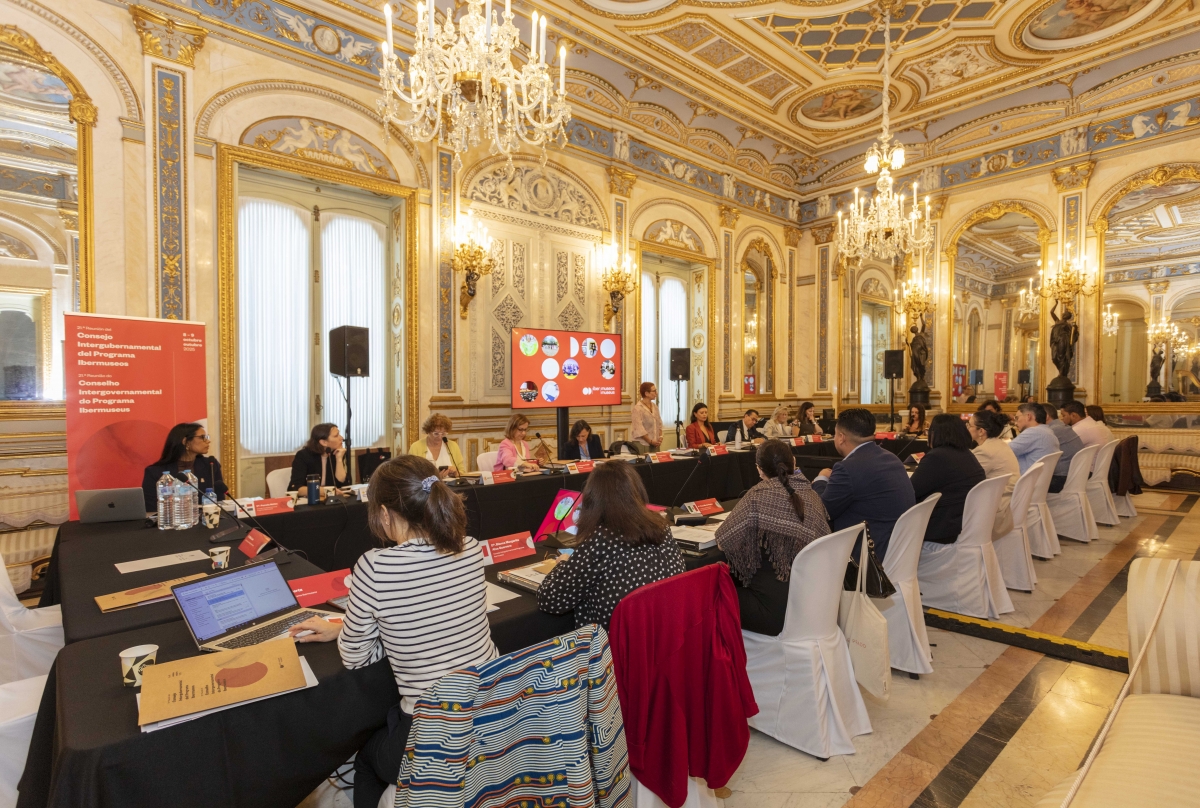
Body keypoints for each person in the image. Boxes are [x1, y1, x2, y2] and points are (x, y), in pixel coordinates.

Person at [286, 455, 497, 808]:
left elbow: (356, 659)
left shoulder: (376, 566)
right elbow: (433, 616)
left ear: (384, 513)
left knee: (365, 756)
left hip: (432, 734)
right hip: (492, 712)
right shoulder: (471, 548)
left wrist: (362, 632)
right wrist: (352, 628)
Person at [538, 461, 685, 629]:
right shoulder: (662, 527)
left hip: (614, 642)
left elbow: (550, 600)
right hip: (663, 634)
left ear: (593, 500)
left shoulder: (601, 539)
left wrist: (562, 564)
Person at [715, 440, 830, 636]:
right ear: (794, 462)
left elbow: (723, 542)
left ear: (759, 470)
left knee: (711, 594)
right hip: (814, 602)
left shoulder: (757, 496)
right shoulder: (812, 496)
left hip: (774, 614)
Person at [812, 408, 915, 560]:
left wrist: (821, 479)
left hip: (867, 557)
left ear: (841, 437)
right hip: (897, 550)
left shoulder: (847, 468)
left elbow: (822, 511)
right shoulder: (892, 458)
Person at [911, 414, 987, 544]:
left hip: (942, 528)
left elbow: (910, 491)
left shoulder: (937, 457)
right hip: (965, 524)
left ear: (935, 433)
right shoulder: (967, 454)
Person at [141, 423, 227, 510]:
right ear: (185, 441)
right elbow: (150, 508)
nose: (208, 441)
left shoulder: (210, 464)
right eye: (202, 437)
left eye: (206, 437)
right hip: (171, 518)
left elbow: (219, 500)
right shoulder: (155, 472)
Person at [967, 409, 1020, 538]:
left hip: (997, 508)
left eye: (969, 425)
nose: (967, 428)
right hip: (1008, 501)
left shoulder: (985, 451)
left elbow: (965, 478)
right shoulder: (999, 444)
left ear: (981, 431)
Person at [288, 423, 349, 492]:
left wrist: (339, 459)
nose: (341, 438)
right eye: (336, 436)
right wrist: (325, 491)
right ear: (324, 442)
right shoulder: (303, 455)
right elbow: (295, 487)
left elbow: (342, 484)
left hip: (331, 498)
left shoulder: (336, 453)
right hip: (310, 497)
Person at [1009, 403, 1061, 482]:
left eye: (1017, 418)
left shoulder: (1033, 432)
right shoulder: (1047, 431)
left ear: (1028, 416)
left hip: (1025, 483)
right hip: (1039, 482)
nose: (1015, 423)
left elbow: (1004, 452)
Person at [407, 412, 465, 478]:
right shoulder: (416, 447)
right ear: (428, 431)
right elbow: (411, 474)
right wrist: (436, 478)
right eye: (436, 434)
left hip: (451, 484)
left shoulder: (453, 446)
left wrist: (455, 473)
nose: (440, 437)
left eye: (443, 434)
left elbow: (462, 472)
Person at [1042, 402, 1083, 490]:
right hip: (1074, 475)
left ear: (1046, 416)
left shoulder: (1051, 431)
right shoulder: (1061, 426)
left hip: (1062, 479)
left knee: (1023, 484)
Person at [631, 382, 663, 452]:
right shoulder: (637, 408)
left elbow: (659, 423)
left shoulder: (655, 407)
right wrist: (650, 441)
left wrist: (660, 437)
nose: (656, 393)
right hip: (642, 444)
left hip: (655, 443)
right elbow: (639, 429)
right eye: (654, 391)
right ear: (646, 393)